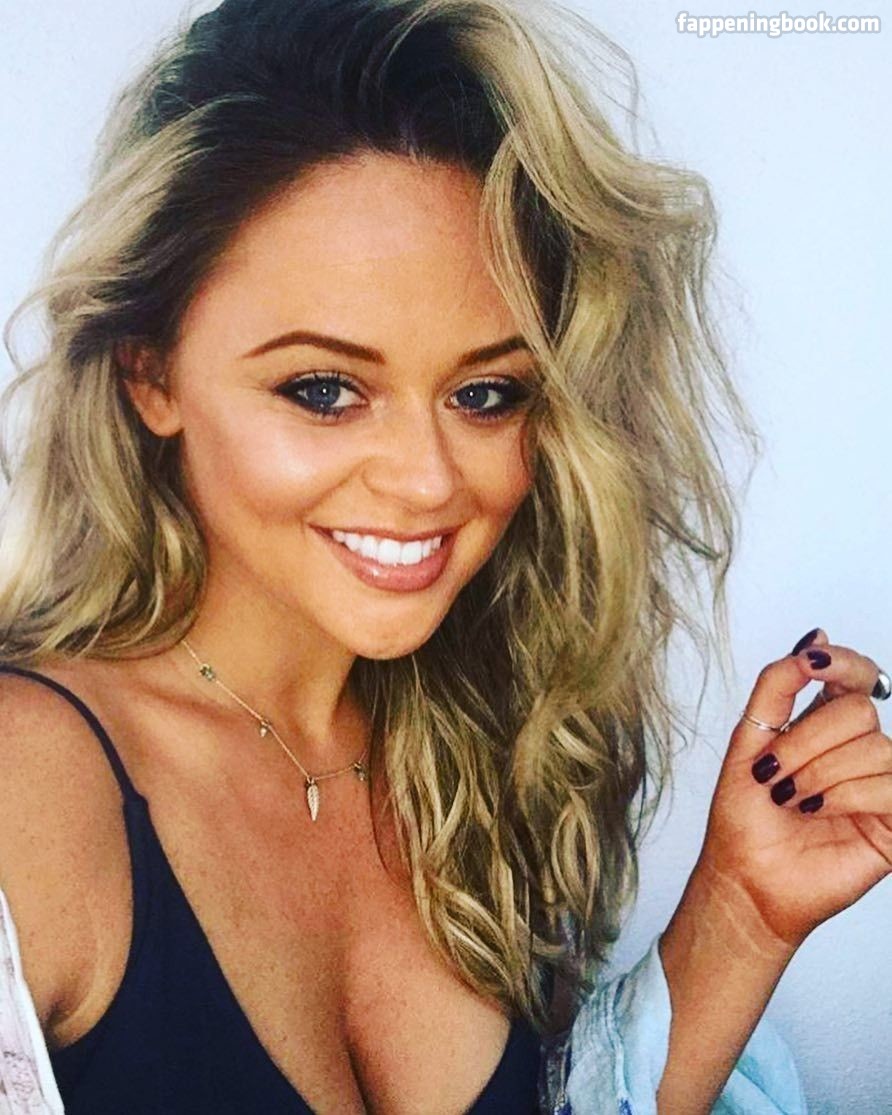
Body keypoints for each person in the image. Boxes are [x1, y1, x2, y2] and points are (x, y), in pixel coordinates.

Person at [0, 0, 889, 1112]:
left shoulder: (479, 749)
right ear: (152, 374)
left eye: (485, 393)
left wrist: (742, 911)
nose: (428, 479)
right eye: (323, 389)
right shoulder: (29, 783)